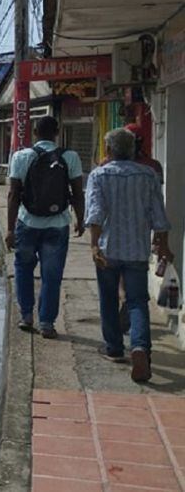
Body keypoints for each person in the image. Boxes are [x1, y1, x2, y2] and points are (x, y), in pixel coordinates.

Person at [85, 128, 173, 382]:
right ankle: (140, 348)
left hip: (108, 249)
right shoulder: (148, 175)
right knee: (137, 301)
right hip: (137, 250)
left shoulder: (99, 175)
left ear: (109, 150)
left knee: (108, 299)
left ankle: (114, 347)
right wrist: (164, 245)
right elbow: (159, 215)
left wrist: (93, 245)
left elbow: (96, 212)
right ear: (132, 150)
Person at [5, 116, 85, 339]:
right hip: (58, 225)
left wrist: (10, 229)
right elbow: (78, 194)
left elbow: (13, 195)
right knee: (52, 275)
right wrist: (81, 219)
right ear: (57, 133)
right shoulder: (70, 157)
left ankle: (27, 316)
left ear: (34, 133)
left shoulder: (21, 156)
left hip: (26, 222)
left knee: (23, 268)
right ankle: (47, 323)